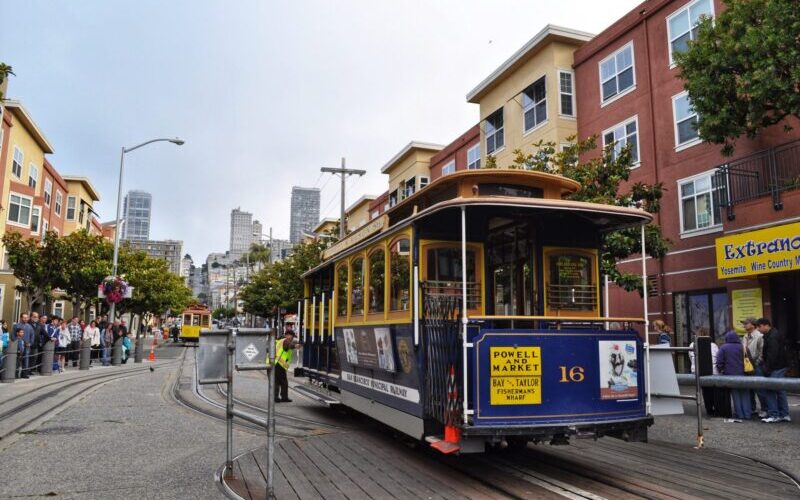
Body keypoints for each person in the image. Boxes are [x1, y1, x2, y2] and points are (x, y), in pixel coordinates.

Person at [756, 318, 790, 423]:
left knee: (770, 389)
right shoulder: (773, 334)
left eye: (759, 326)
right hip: (780, 365)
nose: (758, 329)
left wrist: (767, 369)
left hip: (776, 367)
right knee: (780, 390)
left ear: (766, 325)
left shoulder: (772, 336)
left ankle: (774, 414)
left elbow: (772, 355)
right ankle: (784, 414)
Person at [717, 330, 750, 422]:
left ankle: (740, 414)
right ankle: (747, 414)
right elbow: (750, 359)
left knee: (736, 395)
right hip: (744, 374)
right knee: (745, 394)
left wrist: (721, 370)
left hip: (730, 375)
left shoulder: (723, 348)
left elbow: (719, 362)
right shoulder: (743, 347)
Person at [740, 318, 767, 418]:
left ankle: (765, 409)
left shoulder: (760, 336)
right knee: (749, 388)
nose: (744, 326)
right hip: (747, 366)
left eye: (746, 323)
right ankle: (752, 408)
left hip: (757, 366)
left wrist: (756, 364)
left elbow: (762, 352)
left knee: (760, 389)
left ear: (753, 324)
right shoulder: (745, 336)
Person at [272, 327, 297, 403]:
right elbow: (289, 345)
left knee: (276, 381)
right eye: (291, 336)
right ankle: (284, 397)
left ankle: (276, 397)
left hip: (274, 363)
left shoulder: (278, 340)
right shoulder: (285, 340)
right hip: (279, 364)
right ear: (287, 335)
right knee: (283, 382)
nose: (292, 338)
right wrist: (295, 346)